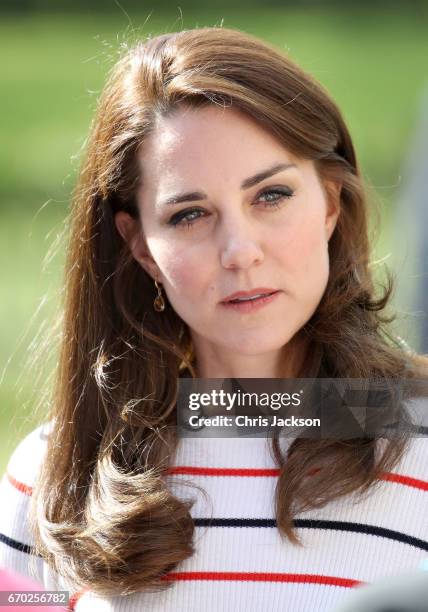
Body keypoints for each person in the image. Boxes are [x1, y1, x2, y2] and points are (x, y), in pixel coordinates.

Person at [1, 26, 428, 612]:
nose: (240, 251)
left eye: (271, 196)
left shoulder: (419, 436)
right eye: (190, 214)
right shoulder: (49, 477)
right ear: (141, 247)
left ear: (330, 202)